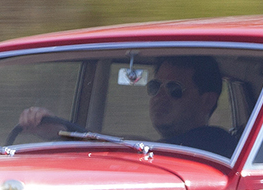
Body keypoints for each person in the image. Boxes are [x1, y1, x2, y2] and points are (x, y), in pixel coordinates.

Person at [15, 54, 237, 156]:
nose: (160, 96)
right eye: (154, 87)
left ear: (207, 100)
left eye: (174, 89)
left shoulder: (214, 143)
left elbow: (143, 145)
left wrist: (63, 133)